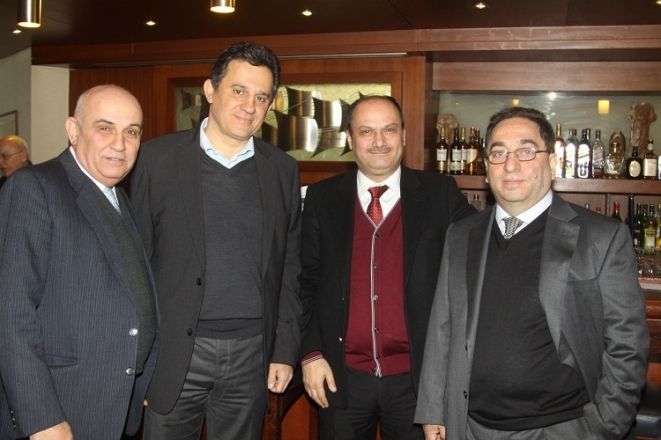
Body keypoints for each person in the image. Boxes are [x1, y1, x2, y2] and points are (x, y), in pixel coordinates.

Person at [415, 106, 649, 440]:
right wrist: (433, 409)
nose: (510, 165)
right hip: (469, 426)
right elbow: (442, 327)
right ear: (486, 168)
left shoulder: (601, 237)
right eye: (498, 153)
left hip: (560, 429)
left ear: (552, 163)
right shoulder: (462, 234)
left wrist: (606, 426)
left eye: (526, 151)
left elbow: (627, 344)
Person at [130, 41, 302, 440]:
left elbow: (290, 267)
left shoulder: (282, 170)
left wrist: (284, 350)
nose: (249, 106)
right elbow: (135, 266)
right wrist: (139, 364)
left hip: (251, 355)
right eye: (239, 90)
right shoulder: (155, 160)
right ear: (210, 90)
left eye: (261, 97)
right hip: (175, 353)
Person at [300, 95, 475, 440]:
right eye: (366, 131)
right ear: (350, 140)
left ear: (404, 136)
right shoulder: (322, 198)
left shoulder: (440, 193)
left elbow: (480, 251)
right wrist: (310, 353)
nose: (379, 141)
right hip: (339, 376)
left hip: (417, 381)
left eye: (389, 130)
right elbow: (304, 281)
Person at [0, 84, 158, 439]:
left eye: (131, 132)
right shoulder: (34, 188)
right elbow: (10, 312)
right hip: (61, 409)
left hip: (112, 404)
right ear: (73, 130)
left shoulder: (118, 196)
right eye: (105, 128)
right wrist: (41, 417)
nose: (120, 144)